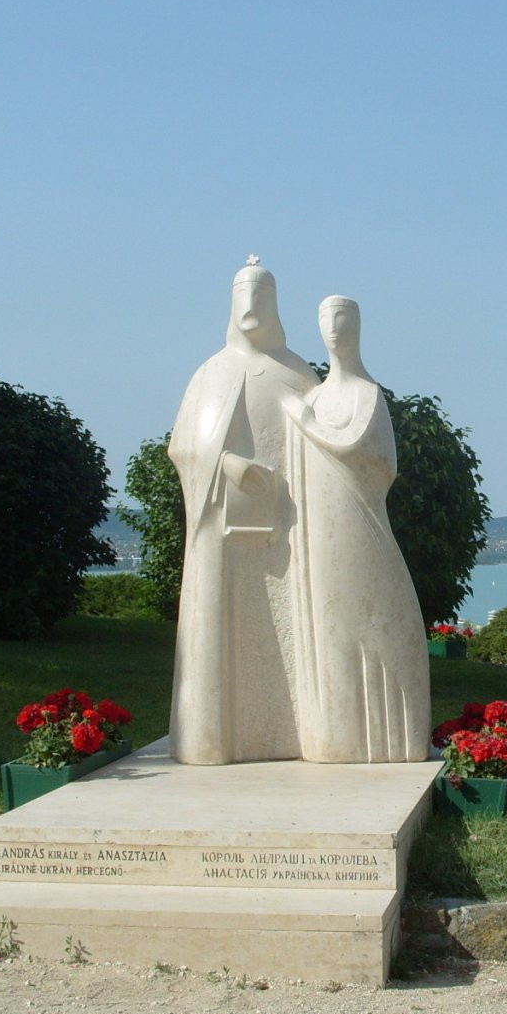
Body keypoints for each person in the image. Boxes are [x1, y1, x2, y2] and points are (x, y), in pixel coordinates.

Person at [167, 258, 318, 764]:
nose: (251, 304)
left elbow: (319, 441)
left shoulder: (298, 373)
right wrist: (228, 463)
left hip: (285, 526)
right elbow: (185, 445)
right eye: (242, 294)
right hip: (221, 529)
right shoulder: (211, 372)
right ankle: (216, 737)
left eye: (261, 295)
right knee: (220, 626)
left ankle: (290, 730)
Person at [281, 297, 431, 762]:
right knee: (328, 622)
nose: (333, 326)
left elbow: (373, 453)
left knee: (373, 610)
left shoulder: (367, 394)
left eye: (341, 317)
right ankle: (331, 732)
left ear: (357, 325)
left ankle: (389, 734)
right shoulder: (313, 396)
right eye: (325, 318)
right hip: (318, 526)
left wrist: (307, 422)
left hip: (358, 518)